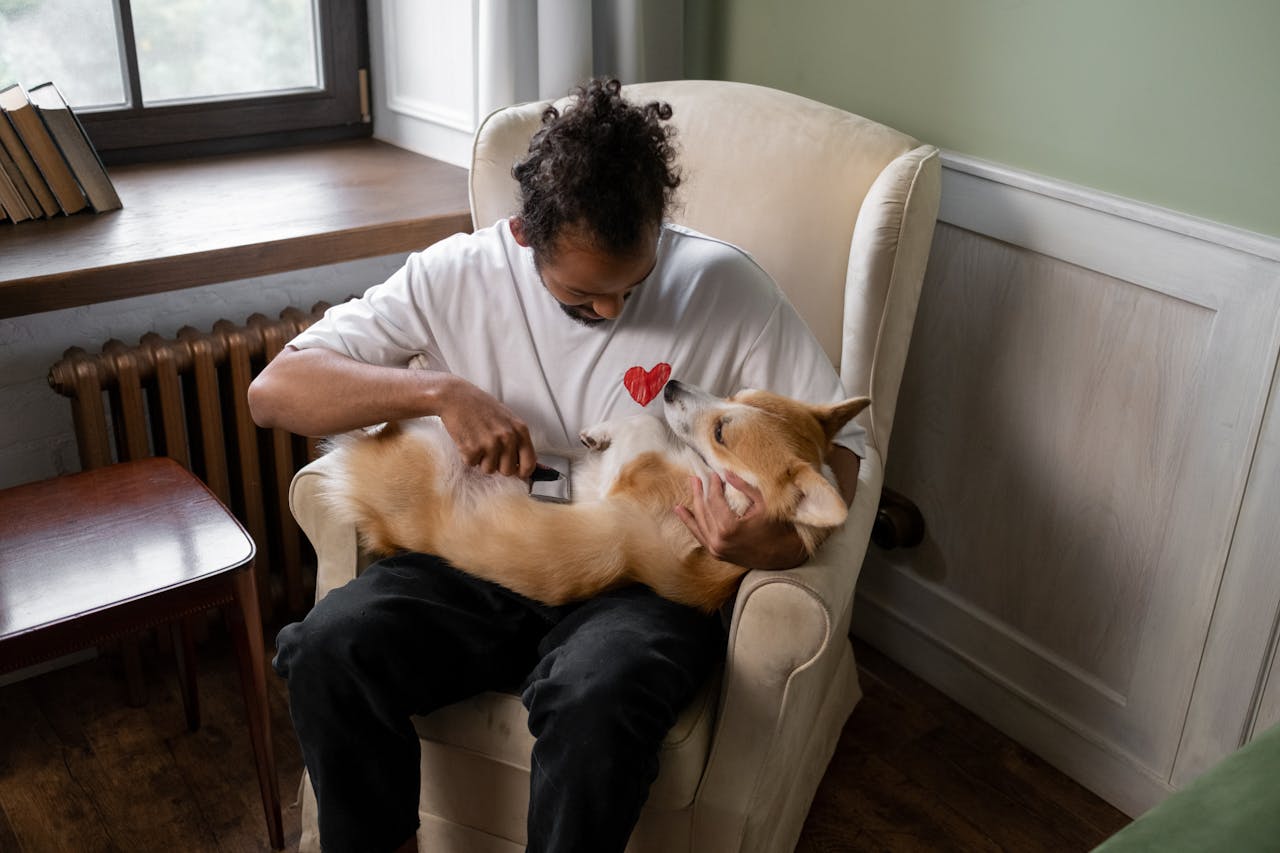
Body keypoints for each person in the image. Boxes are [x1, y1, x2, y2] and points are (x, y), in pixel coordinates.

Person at [248, 78, 864, 853]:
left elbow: (842, 456)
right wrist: (438, 389)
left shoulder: (728, 286)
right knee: (326, 647)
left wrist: (760, 546)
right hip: (480, 556)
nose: (610, 312)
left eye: (630, 287)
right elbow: (275, 393)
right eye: (582, 294)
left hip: (644, 576)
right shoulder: (454, 274)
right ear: (522, 235)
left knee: (599, 696)